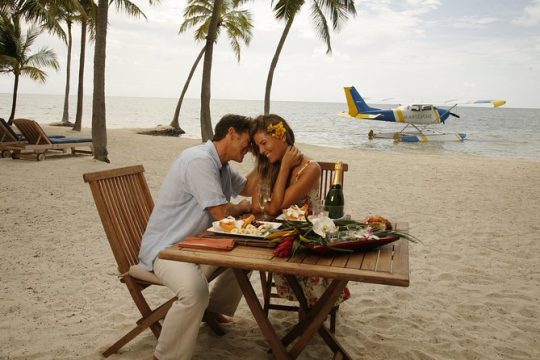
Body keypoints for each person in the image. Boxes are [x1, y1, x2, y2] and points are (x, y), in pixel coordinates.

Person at [138, 114, 253, 360]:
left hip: (195, 244)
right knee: (195, 292)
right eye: (248, 140)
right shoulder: (199, 161)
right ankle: (165, 356)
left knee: (246, 258)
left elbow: (248, 188)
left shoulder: (221, 165)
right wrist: (241, 208)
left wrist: (270, 161)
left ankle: (213, 310)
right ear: (232, 133)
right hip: (167, 249)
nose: (251, 147)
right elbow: (221, 213)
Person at [249, 114, 350, 307]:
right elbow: (268, 208)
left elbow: (279, 206)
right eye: (258, 146)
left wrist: (286, 167)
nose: (261, 151)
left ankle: (315, 310)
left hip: (310, 241)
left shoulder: (311, 169)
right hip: (282, 237)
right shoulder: (269, 166)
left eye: (264, 143)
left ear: (281, 136)